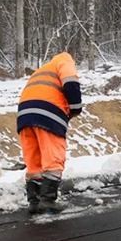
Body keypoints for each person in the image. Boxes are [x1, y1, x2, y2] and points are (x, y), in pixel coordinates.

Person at [16, 51, 82, 214]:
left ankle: (34, 201)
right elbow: (71, 83)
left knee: (34, 161)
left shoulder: (42, 70)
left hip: (24, 114)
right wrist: (75, 108)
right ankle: (48, 200)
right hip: (48, 112)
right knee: (53, 158)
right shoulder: (65, 61)